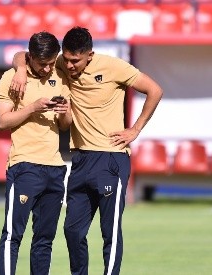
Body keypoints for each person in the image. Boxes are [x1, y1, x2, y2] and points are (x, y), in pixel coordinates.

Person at [11, 27, 163, 275]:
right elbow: (22, 55)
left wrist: (135, 130)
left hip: (111, 158)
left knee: (110, 231)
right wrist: (19, 70)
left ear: (89, 55)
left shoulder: (115, 67)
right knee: (72, 230)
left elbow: (155, 90)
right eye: (67, 60)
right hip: (80, 159)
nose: (69, 66)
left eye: (75, 61)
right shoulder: (59, 62)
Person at [0, 31, 72, 275]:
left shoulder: (60, 76)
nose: (47, 68)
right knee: (13, 235)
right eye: (42, 64)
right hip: (25, 165)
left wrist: (64, 111)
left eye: (51, 63)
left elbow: (64, 125)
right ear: (30, 57)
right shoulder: (12, 78)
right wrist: (32, 107)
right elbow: (2, 121)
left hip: (55, 167)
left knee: (44, 240)